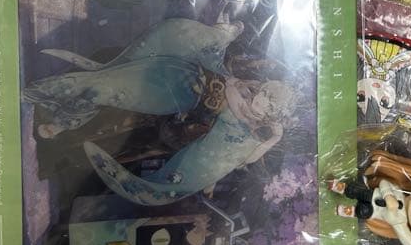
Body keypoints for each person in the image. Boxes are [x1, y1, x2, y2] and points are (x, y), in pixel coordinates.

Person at [23, 18, 298, 206]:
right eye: (265, 92)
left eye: (268, 102)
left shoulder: (243, 131)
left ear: (272, 115)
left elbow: (244, 158)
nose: (261, 98)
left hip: (176, 106)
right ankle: (52, 110)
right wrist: (224, 34)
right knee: (103, 85)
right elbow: (217, 63)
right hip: (179, 76)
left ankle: (54, 115)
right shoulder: (243, 87)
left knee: (105, 94)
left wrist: (273, 138)